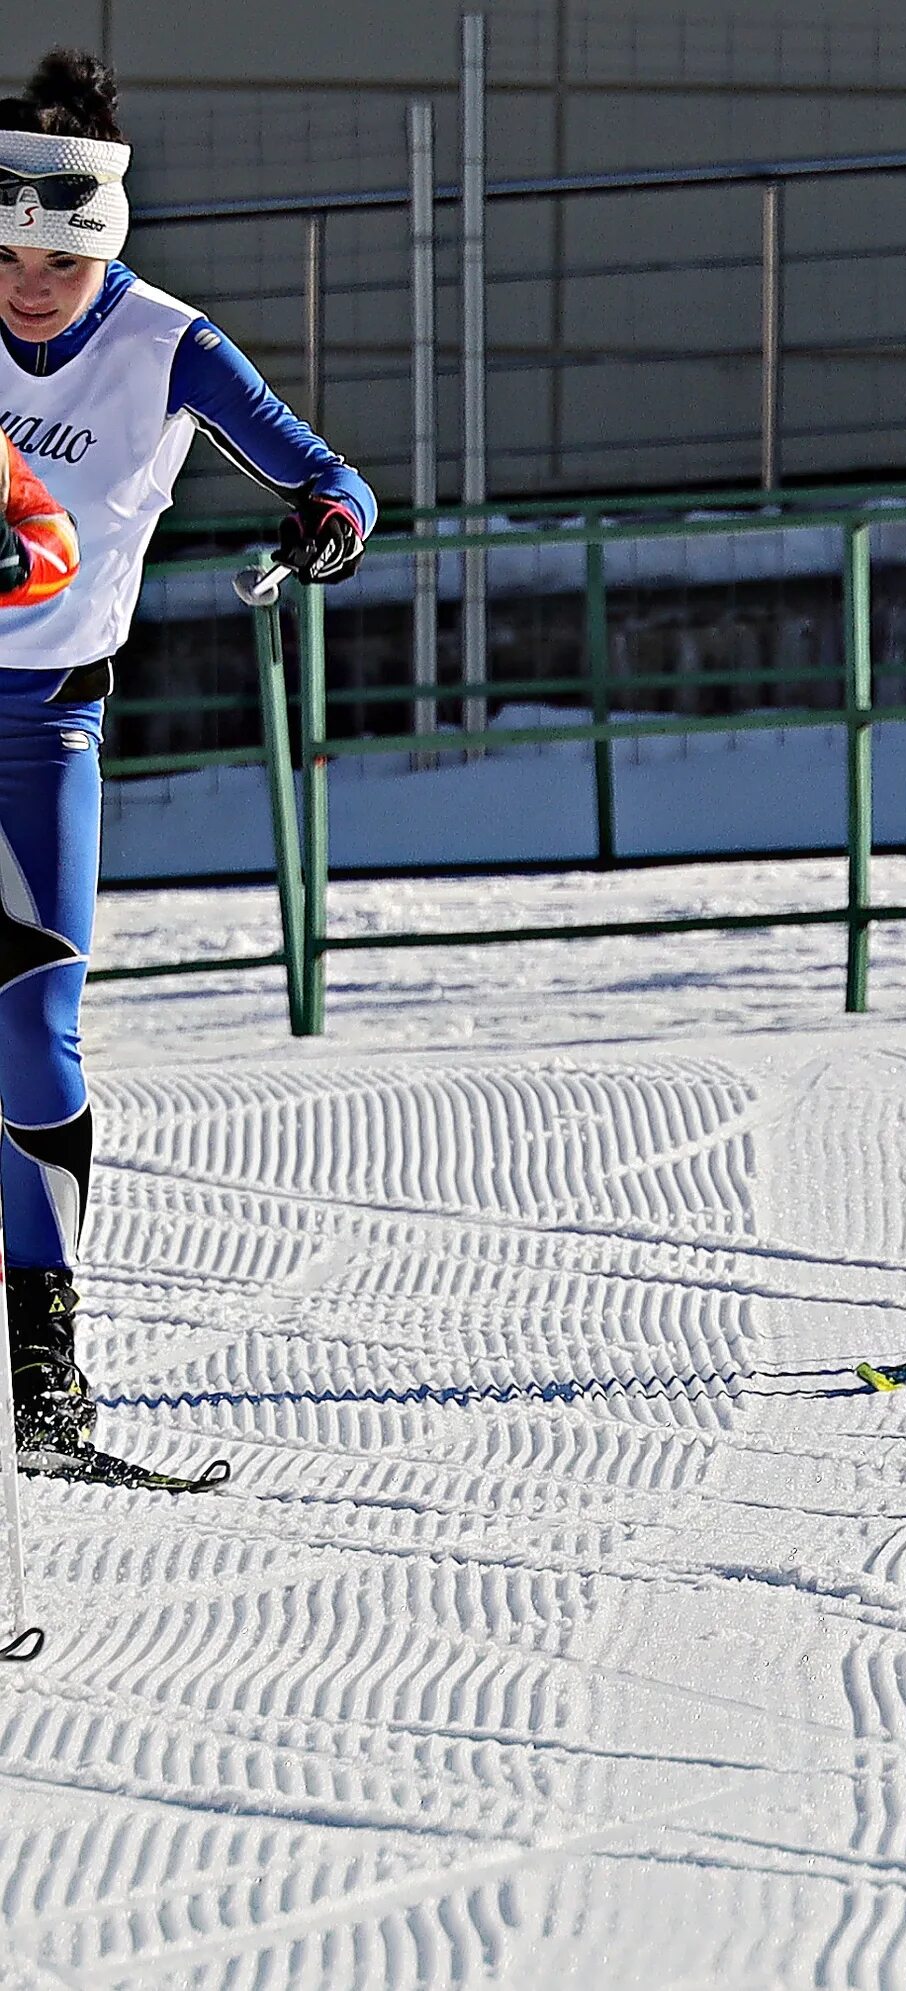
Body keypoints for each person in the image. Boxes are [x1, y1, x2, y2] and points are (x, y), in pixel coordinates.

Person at [2, 51, 375, 1471]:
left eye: (56, 255)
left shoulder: (169, 344)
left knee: (31, 1031)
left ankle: (46, 1373)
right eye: (5, 252)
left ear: (104, 236)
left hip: (47, 723)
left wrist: (324, 531)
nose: (29, 283)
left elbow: (332, 479)